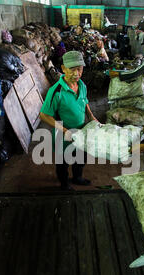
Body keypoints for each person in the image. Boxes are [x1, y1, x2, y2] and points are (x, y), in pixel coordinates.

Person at [39, 51, 99, 190]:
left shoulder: (82, 85)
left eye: (80, 69)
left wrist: (90, 116)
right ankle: (64, 184)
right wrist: (65, 131)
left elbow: (84, 101)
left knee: (81, 158)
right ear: (63, 68)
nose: (77, 73)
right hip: (63, 134)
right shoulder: (57, 91)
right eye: (72, 69)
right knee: (63, 162)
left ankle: (77, 177)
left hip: (81, 130)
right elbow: (43, 115)